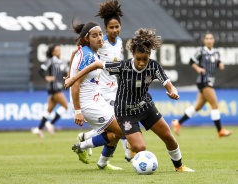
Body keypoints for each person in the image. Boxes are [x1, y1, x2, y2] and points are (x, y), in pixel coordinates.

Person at [65, 28, 194, 172]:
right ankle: (99, 154)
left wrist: (173, 92)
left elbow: (169, 84)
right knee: (140, 147)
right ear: (133, 55)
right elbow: (96, 65)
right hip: (125, 112)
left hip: (146, 107)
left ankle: (179, 167)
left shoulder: (153, 66)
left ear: (149, 56)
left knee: (168, 137)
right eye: (138, 59)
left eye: (145, 59)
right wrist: (73, 78)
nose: (141, 63)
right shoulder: (123, 66)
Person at [75, 0, 134, 162]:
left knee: (116, 127)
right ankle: (130, 155)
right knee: (120, 126)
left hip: (115, 91)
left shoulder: (120, 42)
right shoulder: (101, 42)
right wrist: (72, 73)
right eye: (111, 27)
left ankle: (87, 141)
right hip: (100, 92)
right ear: (105, 29)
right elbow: (80, 53)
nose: (114, 30)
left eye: (117, 27)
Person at [69, 19, 124, 170]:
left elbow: (74, 54)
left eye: (100, 34)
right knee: (120, 130)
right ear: (87, 38)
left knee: (117, 130)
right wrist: (78, 111)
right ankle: (82, 146)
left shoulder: (91, 52)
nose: (100, 38)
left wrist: (69, 74)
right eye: (95, 36)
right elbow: (76, 84)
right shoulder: (88, 56)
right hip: (87, 104)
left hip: (97, 99)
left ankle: (101, 163)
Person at [171, 32, 232, 138]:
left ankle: (178, 123)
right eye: (207, 38)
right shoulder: (201, 51)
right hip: (203, 81)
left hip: (210, 81)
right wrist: (198, 68)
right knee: (215, 105)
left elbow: (217, 62)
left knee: (197, 108)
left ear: (213, 40)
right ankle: (220, 130)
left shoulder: (216, 52)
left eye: (211, 38)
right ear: (204, 40)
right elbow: (191, 61)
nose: (209, 40)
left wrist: (220, 64)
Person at [31, 44, 69, 138]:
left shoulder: (63, 62)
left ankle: (38, 129)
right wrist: (46, 77)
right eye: (57, 50)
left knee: (49, 110)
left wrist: (69, 77)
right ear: (53, 52)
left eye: (59, 49)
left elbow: (67, 73)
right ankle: (50, 124)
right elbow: (41, 70)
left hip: (58, 86)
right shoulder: (50, 61)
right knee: (65, 106)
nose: (59, 51)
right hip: (53, 87)